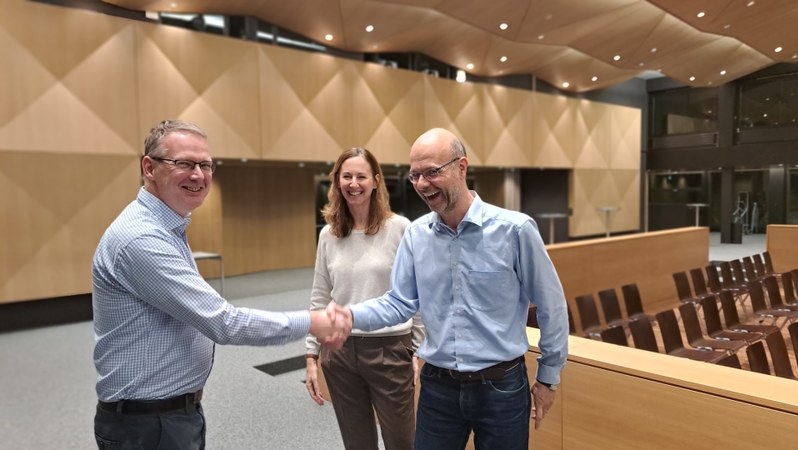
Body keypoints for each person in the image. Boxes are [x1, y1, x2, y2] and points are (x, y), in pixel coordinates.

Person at [91, 119, 348, 450]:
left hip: (165, 416)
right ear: (149, 168)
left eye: (205, 165)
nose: (198, 175)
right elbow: (224, 322)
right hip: (148, 425)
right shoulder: (141, 239)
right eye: (185, 163)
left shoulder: (166, 227)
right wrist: (313, 322)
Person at [331, 128, 570, 450]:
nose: (421, 184)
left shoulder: (515, 230)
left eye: (431, 172)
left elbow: (551, 306)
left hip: (501, 386)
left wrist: (548, 378)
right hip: (438, 387)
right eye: (415, 175)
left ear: (462, 167)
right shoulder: (416, 235)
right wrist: (347, 316)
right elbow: (399, 303)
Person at [305, 147, 424, 450]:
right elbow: (320, 297)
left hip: (390, 349)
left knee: (402, 441)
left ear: (376, 181)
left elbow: (417, 295)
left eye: (361, 176)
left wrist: (418, 349)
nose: (354, 183)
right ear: (337, 181)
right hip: (340, 352)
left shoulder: (400, 228)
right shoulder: (329, 234)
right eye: (347, 176)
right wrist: (311, 355)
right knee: (357, 443)